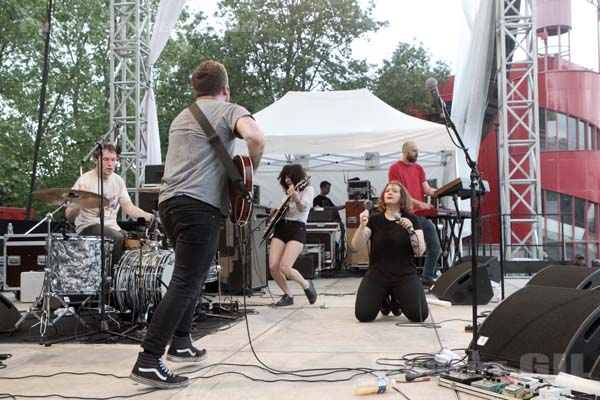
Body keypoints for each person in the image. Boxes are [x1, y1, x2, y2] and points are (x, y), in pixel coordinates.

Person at [129, 60, 265, 388]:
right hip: (199, 207)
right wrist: (248, 175)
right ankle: (148, 361)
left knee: (194, 274)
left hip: (169, 205)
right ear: (225, 89)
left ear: (196, 89)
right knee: (187, 281)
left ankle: (181, 342)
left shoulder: (181, 117)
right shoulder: (230, 109)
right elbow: (256, 138)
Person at [352, 181, 428, 322]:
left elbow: (420, 251)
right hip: (378, 274)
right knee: (363, 315)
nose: (390, 193)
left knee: (420, 315)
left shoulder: (411, 219)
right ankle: (384, 298)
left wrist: (411, 231)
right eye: (387, 191)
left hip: (405, 274)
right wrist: (361, 226)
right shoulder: (374, 220)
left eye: (394, 191)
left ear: (402, 197)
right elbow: (356, 245)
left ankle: (397, 298)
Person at [65, 144, 153, 267]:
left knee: (136, 240)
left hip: (112, 227)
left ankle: (128, 277)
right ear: (95, 160)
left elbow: (129, 208)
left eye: (113, 159)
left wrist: (153, 217)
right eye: (106, 159)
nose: (110, 164)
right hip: (88, 226)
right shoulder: (84, 180)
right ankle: (112, 278)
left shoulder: (118, 180)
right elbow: (68, 215)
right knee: (117, 238)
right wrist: (81, 199)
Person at [388, 141, 441, 288]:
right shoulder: (394, 168)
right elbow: (400, 194)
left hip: (420, 216)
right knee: (408, 250)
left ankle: (427, 279)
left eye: (417, 151)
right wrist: (420, 203)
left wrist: (443, 190)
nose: (417, 154)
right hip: (406, 214)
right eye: (414, 151)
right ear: (405, 151)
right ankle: (404, 280)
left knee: (435, 246)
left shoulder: (418, 168)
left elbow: (427, 189)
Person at [269, 163, 318, 307]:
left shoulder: (308, 189)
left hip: (298, 228)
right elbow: (286, 211)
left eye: (289, 176)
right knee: (273, 266)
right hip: (282, 227)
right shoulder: (286, 192)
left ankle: (306, 285)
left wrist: (296, 198)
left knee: (285, 267)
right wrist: (277, 211)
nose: (286, 180)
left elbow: (302, 209)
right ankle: (287, 294)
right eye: (284, 177)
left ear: (296, 176)